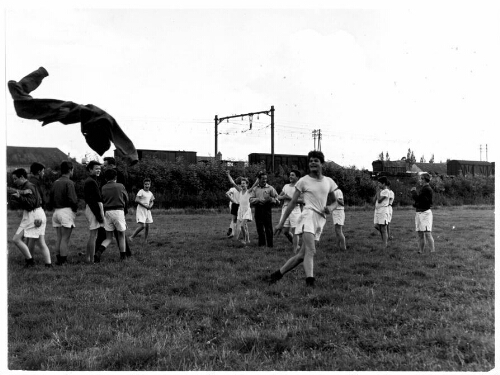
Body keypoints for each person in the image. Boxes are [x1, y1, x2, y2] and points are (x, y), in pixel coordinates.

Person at [268, 151, 337, 288]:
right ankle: (310, 282)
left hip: (320, 219)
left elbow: (336, 202)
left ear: (321, 163)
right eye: (310, 161)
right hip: (308, 216)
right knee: (311, 251)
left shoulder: (328, 181)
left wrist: (331, 208)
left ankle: (276, 275)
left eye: (316, 160)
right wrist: (281, 223)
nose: (312, 163)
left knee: (302, 255)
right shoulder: (303, 180)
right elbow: (292, 203)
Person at [9, 168, 52, 267]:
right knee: (41, 242)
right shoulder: (27, 186)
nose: (14, 181)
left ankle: (30, 261)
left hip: (33, 215)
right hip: (37, 213)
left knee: (16, 239)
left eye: (15, 179)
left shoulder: (28, 186)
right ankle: (48, 265)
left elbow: (31, 204)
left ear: (22, 177)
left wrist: (19, 197)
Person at [96, 156, 132, 257]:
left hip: (107, 210)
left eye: (106, 165)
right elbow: (125, 197)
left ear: (111, 165)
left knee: (106, 235)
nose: (104, 167)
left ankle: (98, 252)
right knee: (121, 233)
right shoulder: (120, 181)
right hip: (119, 209)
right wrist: (125, 208)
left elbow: (101, 198)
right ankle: (124, 254)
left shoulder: (104, 184)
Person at [50, 161, 78, 265]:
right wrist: (75, 209)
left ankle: (58, 259)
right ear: (71, 170)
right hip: (66, 211)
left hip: (56, 212)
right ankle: (63, 261)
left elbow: (50, 198)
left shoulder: (55, 182)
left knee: (59, 237)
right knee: (65, 239)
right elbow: (72, 199)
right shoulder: (69, 182)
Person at [226, 171, 259, 244]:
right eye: (241, 183)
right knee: (244, 227)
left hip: (247, 211)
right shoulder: (240, 191)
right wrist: (228, 175)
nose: (242, 184)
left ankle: (244, 240)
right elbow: (233, 183)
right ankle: (247, 240)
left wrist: (259, 176)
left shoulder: (249, 191)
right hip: (240, 211)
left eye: (244, 183)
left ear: (247, 184)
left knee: (242, 226)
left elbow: (255, 184)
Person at [249, 171, 279, 248]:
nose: (264, 180)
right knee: (259, 228)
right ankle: (262, 244)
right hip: (258, 209)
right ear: (258, 179)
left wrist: (271, 199)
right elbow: (251, 199)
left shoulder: (270, 188)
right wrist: (259, 200)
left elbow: (277, 198)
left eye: (265, 179)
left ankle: (270, 245)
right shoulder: (255, 189)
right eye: (262, 178)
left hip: (267, 209)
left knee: (268, 228)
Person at [83, 160, 105, 264]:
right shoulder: (91, 181)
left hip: (91, 208)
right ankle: (92, 260)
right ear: (90, 169)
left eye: (99, 168)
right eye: (96, 168)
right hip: (93, 209)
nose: (98, 170)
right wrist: (99, 216)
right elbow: (93, 201)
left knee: (93, 234)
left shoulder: (91, 180)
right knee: (93, 235)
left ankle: (88, 258)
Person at [277, 170, 303, 252]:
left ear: (297, 177)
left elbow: (302, 200)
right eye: (290, 175)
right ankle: (296, 245)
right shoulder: (286, 186)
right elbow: (278, 196)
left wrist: (290, 199)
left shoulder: (300, 187)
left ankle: (295, 250)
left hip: (295, 209)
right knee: (285, 231)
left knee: (295, 230)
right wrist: (283, 197)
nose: (290, 176)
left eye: (292, 175)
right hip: (285, 209)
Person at [23, 162, 46, 256]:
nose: (43, 173)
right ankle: (30, 259)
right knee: (33, 237)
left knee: (29, 236)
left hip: (28, 210)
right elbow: (41, 197)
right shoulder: (36, 182)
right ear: (39, 171)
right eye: (43, 171)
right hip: (35, 210)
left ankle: (28, 257)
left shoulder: (28, 181)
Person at [411, 172, 435, 254]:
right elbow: (421, 201)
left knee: (427, 233)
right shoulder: (424, 188)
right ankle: (421, 251)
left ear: (424, 180)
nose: (420, 180)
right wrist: (416, 204)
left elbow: (418, 199)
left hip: (425, 213)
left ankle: (432, 251)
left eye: (421, 178)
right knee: (420, 233)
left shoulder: (426, 189)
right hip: (419, 212)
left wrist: (413, 192)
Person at [129, 178, 155, 243]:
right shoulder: (141, 191)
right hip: (141, 210)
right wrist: (145, 206)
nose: (147, 186)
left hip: (147, 210)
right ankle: (131, 237)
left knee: (147, 226)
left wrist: (150, 206)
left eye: (148, 184)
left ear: (150, 185)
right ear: (143, 185)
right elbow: (136, 200)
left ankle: (145, 240)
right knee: (143, 226)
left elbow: (152, 201)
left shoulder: (150, 193)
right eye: (145, 184)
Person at [373, 176, 390, 251]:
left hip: (383, 211)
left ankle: (384, 245)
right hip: (377, 211)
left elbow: (379, 200)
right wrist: (377, 193)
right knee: (376, 226)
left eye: (379, 183)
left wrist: (377, 192)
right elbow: (374, 200)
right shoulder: (380, 191)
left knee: (383, 228)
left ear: (384, 184)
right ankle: (385, 238)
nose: (378, 185)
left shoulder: (386, 191)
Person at [331, 177, 346, 251]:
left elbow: (342, 203)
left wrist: (334, 198)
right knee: (336, 231)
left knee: (339, 231)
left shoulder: (338, 191)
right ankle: (337, 247)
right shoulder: (333, 192)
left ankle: (343, 248)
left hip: (339, 212)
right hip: (335, 212)